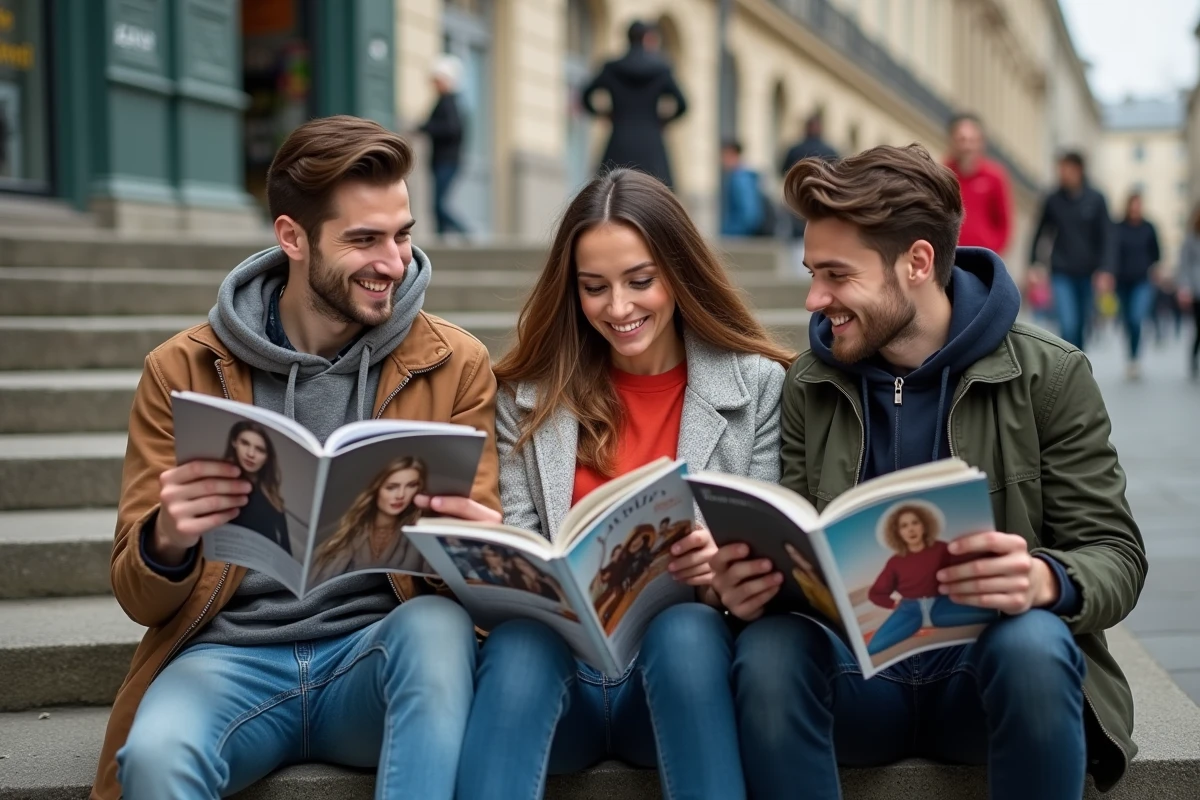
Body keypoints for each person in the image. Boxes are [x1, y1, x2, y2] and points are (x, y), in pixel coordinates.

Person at [715, 143, 1146, 799]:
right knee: (769, 650)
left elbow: (1116, 553)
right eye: (811, 272)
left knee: (1034, 642)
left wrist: (1042, 578)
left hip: (986, 676)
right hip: (854, 682)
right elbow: (796, 534)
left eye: (836, 275)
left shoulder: (1049, 375)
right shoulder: (809, 381)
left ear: (917, 262)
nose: (814, 298)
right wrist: (748, 588)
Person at [96, 115, 502, 800]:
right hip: (227, 659)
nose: (394, 263)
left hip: (373, 659)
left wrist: (472, 548)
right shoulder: (182, 369)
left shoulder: (453, 363)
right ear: (293, 238)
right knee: (155, 758)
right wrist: (168, 539)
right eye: (365, 240)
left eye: (403, 235)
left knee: (437, 629)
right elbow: (139, 596)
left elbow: (483, 593)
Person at [455, 168, 795, 800]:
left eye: (640, 281)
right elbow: (527, 550)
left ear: (679, 272)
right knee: (523, 642)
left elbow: (771, 568)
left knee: (686, 631)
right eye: (594, 288)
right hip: (563, 687)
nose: (618, 308)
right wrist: (495, 552)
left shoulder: (761, 388)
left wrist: (720, 571)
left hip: (682, 685)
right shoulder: (526, 399)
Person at [864, 502, 997, 655]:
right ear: (897, 532)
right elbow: (875, 593)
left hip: (943, 605)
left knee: (991, 615)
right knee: (873, 648)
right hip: (909, 611)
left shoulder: (941, 548)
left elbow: (962, 569)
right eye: (904, 526)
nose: (911, 529)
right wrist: (892, 603)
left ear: (924, 525)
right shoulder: (895, 562)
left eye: (915, 522)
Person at [581, 21, 688, 189]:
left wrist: (605, 114)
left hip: (619, 142)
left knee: (611, 192)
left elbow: (585, 96)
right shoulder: (661, 70)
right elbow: (683, 105)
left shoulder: (612, 68)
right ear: (647, 38)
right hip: (651, 144)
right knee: (655, 196)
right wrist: (661, 121)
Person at [1028, 151, 1115, 350]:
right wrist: (1034, 263)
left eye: (1066, 169)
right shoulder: (1053, 199)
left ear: (1078, 170)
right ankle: (1070, 368)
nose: (1061, 174)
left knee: (1082, 325)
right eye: (1059, 169)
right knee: (1068, 324)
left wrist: (1106, 269)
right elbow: (1040, 233)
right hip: (1061, 271)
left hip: (1088, 272)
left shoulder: (1096, 199)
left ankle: (1078, 364)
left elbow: (1107, 237)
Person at [309, 456, 427, 584]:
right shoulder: (343, 534)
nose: (401, 495)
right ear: (376, 488)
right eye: (391, 487)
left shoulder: (421, 536)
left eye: (411, 485)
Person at [779, 112, 839, 272]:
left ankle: (800, 271)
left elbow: (781, 171)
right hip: (823, 201)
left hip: (798, 200)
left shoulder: (794, 149)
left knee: (798, 237)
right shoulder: (830, 149)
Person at [945, 113, 1012, 255]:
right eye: (962, 140)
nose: (967, 146)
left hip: (983, 256)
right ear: (952, 141)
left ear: (981, 142)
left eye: (972, 140)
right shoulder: (943, 174)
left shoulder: (995, 176)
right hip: (950, 255)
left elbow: (1004, 222)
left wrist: (994, 249)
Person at [1112, 191, 1161, 380]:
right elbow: (1112, 252)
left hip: (1142, 280)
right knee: (1126, 320)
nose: (1135, 208)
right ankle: (1130, 353)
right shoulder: (1118, 227)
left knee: (1136, 317)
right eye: (1133, 204)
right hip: (1122, 282)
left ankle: (1134, 358)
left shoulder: (1149, 227)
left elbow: (1156, 253)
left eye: (1138, 204)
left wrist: (1154, 270)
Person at [419, 55, 468, 238]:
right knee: (437, 205)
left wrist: (425, 127)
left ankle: (465, 232)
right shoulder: (446, 102)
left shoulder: (449, 102)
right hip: (442, 159)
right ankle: (442, 237)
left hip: (447, 160)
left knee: (439, 204)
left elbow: (451, 129)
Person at [223, 421, 290, 554]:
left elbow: (284, 542)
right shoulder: (221, 482)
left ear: (267, 457)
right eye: (245, 443)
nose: (251, 453)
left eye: (260, 449)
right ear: (234, 442)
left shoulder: (270, 491)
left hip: (271, 563)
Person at [720, 139, 766, 238]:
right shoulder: (739, 176)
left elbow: (748, 214)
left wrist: (735, 234)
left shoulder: (739, 179)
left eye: (725, 156)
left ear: (733, 154)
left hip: (738, 235)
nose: (722, 160)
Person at [1177, 203, 1200, 379]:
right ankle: (1193, 357)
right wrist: (1184, 288)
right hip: (1196, 290)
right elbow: (1184, 266)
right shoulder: (1191, 239)